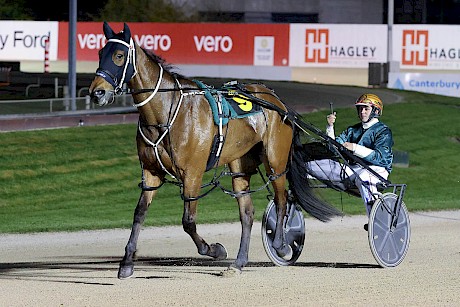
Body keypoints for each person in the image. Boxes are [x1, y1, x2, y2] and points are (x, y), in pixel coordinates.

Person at [306, 94, 394, 230]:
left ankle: (374, 219)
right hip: (352, 169)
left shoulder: (383, 131)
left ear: (376, 111)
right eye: (360, 109)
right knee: (309, 167)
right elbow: (333, 149)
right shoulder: (352, 130)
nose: (362, 112)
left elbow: (381, 158)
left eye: (366, 109)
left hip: (377, 170)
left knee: (363, 177)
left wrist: (355, 148)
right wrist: (330, 127)